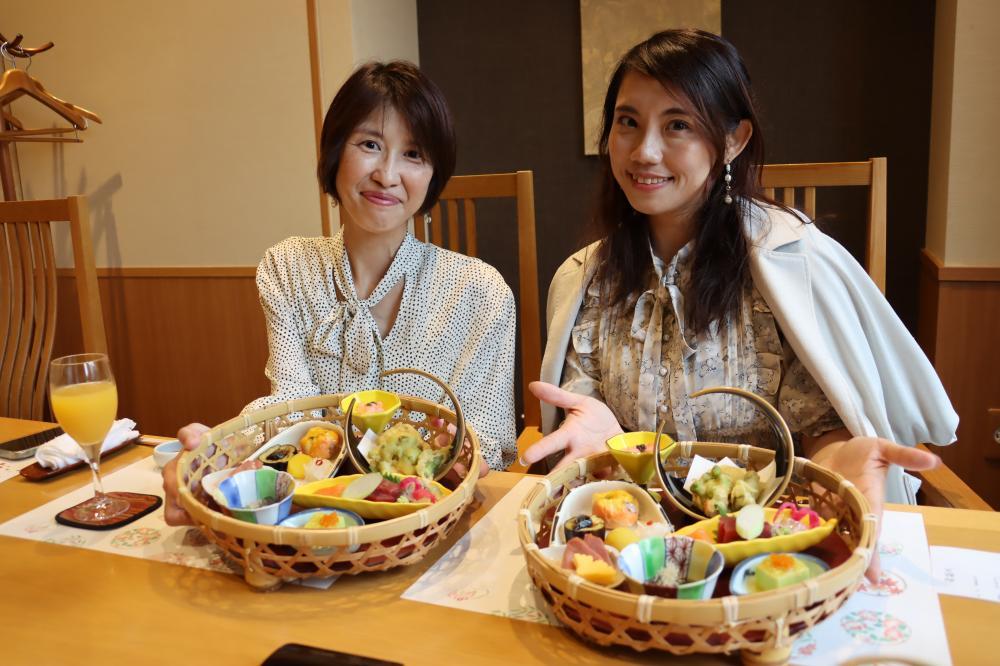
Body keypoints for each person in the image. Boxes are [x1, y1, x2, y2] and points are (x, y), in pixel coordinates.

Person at [521, 30, 957, 576]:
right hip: (634, 557)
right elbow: (584, 428)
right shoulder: (586, 279)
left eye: (677, 125)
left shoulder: (791, 267)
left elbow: (824, 430)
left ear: (733, 140)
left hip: (763, 556)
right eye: (627, 121)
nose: (644, 151)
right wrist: (606, 441)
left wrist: (837, 461)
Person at [163, 61, 516, 525]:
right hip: (317, 517)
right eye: (370, 145)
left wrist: (454, 458)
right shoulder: (288, 267)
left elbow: (485, 440)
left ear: (433, 174)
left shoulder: (480, 291)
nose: (387, 174)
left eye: (413, 154)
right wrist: (221, 451)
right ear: (335, 152)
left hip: (430, 521)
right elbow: (290, 408)